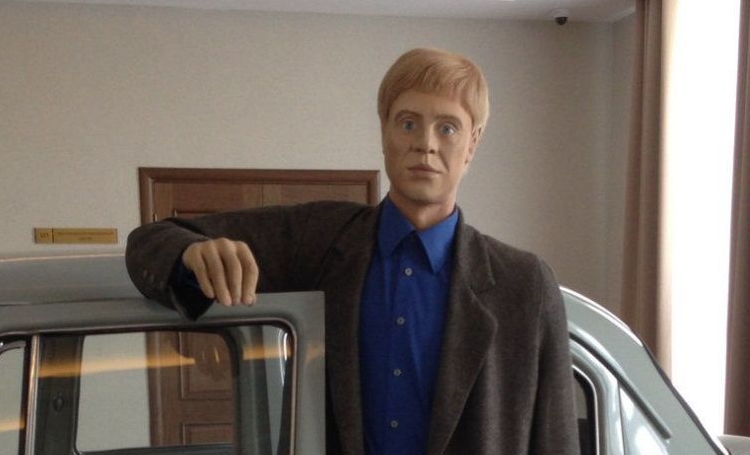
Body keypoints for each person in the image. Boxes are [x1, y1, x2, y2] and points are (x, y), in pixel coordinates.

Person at [126, 48, 579, 455]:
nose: (425, 143)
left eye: (447, 128)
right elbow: (152, 240)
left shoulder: (524, 283)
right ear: (384, 132)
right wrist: (193, 255)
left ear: (472, 143)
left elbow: (555, 442)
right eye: (408, 123)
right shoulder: (318, 240)